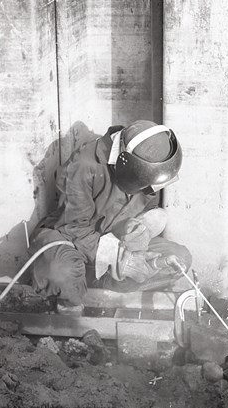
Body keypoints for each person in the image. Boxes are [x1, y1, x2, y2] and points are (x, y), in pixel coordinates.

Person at [29, 120, 192, 314]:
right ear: (127, 164)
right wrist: (120, 258)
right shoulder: (83, 166)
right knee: (60, 271)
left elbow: (143, 207)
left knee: (179, 260)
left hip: (113, 245)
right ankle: (70, 306)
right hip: (72, 243)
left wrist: (141, 227)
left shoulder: (147, 168)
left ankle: (107, 290)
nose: (149, 190)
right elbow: (73, 228)